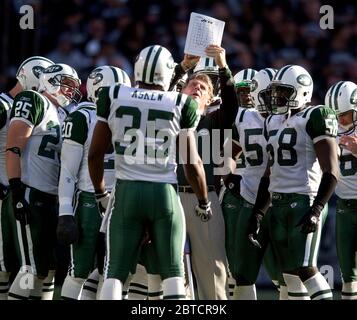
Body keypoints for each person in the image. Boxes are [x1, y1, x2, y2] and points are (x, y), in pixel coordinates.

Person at [88, 44, 210, 300]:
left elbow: (95, 153)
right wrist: (203, 202)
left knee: (115, 273)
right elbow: (191, 163)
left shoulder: (113, 95)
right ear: (167, 73)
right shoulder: (181, 103)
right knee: (174, 274)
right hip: (164, 193)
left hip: (126, 191)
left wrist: (100, 193)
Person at [250, 65, 339, 300]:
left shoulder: (316, 115)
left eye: (284, 92)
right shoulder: (273, 122)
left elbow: (332, 171)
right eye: (276, 92)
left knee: (306, 269)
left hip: (304, 199)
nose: (277, 97)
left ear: (302, 91)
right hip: (278, 202)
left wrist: (317, 209)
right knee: (289, 276)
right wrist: (259, 213)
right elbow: (269, 173)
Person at [6, 63, 81, 300]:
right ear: (51, 80)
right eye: (67, 83)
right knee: (31, 268)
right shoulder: (35, 100)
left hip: (50, 197)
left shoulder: (65, 114)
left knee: (47, 268)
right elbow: (14, 147)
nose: (71, 90)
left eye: (74, 86)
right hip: (29, 190)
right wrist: (17, 190)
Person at [57, 66, 130, 300]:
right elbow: (68, 169)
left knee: (115, 272)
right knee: (79, 271)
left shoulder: (129, 115)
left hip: (120, 200)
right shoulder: (83, 115)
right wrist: (66, 211)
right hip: (89, 198)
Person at [176, 45, 239, 300]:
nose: (197, 88)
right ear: (180, 90)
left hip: (204, 199)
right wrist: (183, 68)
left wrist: (223, 65)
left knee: (213, 271)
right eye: (192, 84)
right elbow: (154, 91)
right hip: (169, 196)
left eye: (204, 88)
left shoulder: (213, 122)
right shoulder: (167, 114)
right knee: (170, 273)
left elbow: (232, 106)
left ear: (211, 100)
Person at [0, 56, 54, 299]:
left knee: (16, 266)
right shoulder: (3, 104)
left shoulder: (36, 105)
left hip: (15, 189)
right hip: (8, 189)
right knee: (6, 266)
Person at [325, 80, 357, 299]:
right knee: (348, 273)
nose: (340, 119)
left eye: (344, 113)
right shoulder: (330, 129)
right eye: (336, 114)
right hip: (345, 206)